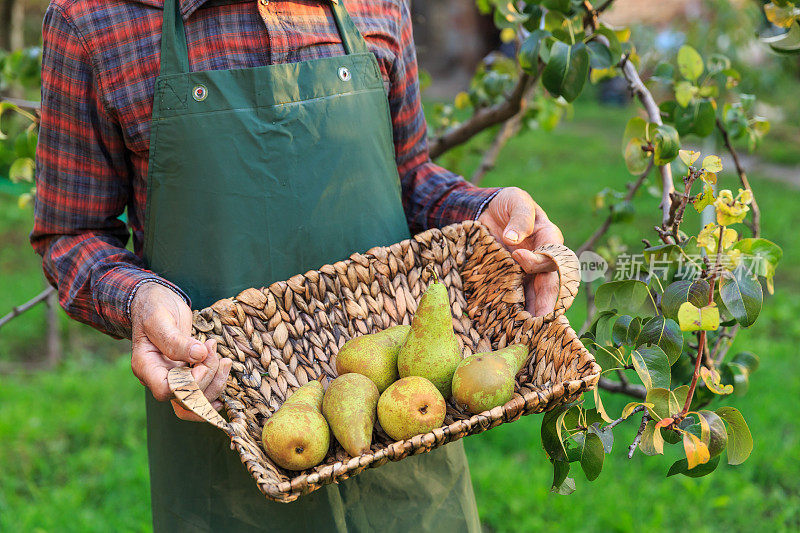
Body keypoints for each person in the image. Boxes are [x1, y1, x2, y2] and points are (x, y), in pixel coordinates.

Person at [32, 0, 566, 531]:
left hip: (405, 434)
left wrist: (482, 215)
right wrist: (137, 299)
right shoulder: (93, 19)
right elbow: (71, 232)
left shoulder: (376, 4)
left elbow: (408, 176)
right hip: (227, 430)